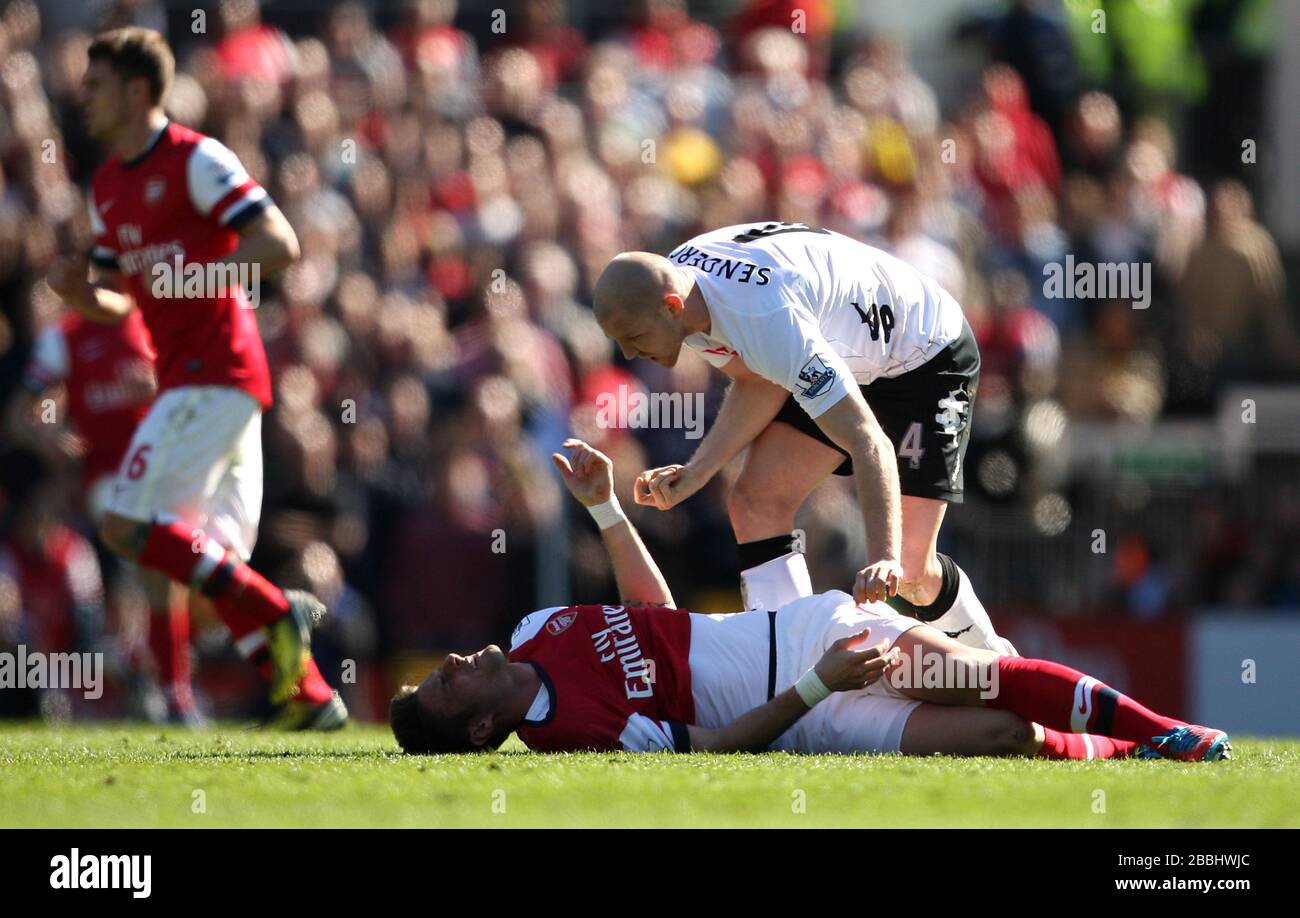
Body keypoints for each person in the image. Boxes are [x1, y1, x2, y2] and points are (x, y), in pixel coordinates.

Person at [390, 439, 1230, 762]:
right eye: (445, 686)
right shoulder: (571, 738)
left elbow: (652, 617)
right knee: (1007, 735)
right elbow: (717, 752)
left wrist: (608, 510)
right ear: (477, 729)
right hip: (813, 710)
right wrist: (824, 688)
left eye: (442, 669)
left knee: (984, 679)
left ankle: (1172, 736)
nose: (456, 663)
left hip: (805, 637)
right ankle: (1125, 755)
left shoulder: (538, 626)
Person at [44, 27, 343, 729]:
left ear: (138, 90)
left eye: (97, 85)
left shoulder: (196, 158)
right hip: (192, 377)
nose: (83, 98)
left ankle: (277, 613)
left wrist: (201, 275)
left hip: (217, 371)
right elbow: (120, 298)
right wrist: (80, 295)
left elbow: (280, 245)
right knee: (206, 560)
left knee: (124, 520)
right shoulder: (107, 187)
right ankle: (312, 701)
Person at [591, 222, 1008, 652]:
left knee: (911, 573)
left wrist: (883, 556)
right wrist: (698, 470)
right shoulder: (688, 291)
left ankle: (999, 666)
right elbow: (758, 375)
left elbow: (869, 442)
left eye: (634, 337)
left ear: (671, 307)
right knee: (754, 504)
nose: (629, 354)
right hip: (844, 344)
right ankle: (791, 680)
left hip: (925, 354)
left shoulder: (762, 315)